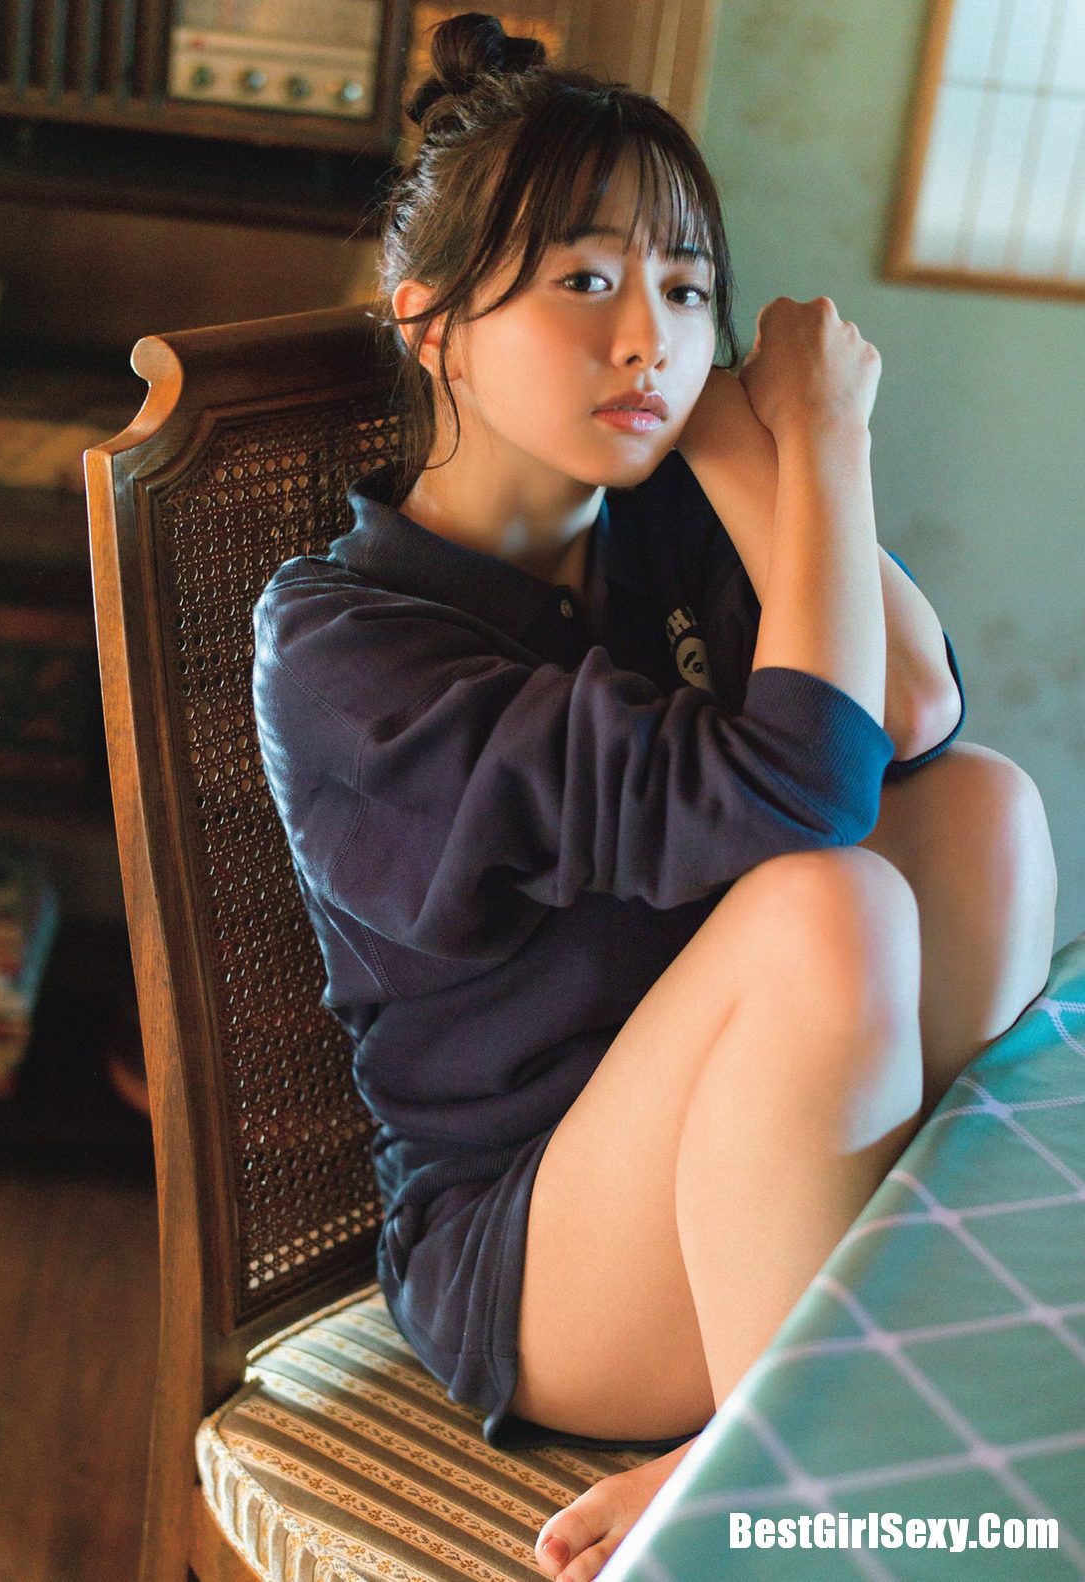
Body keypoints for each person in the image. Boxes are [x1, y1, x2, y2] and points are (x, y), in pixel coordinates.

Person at [252, 14, 1059, 1581]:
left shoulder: (661, 524)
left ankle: (775, 1407)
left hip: (756, 1181)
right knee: (826, 899)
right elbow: (809, 793)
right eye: (585, 281)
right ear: (432, 324)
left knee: (984, 812)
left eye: (688, 290)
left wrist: (771, 454)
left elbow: (916, 712)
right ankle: (775, 1475)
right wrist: (818, 435)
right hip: (541, 1258)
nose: (652, 338)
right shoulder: (346, 646)